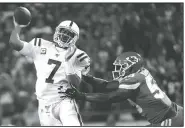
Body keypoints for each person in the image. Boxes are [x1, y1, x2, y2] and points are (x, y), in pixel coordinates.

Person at [9, 16, 91, 126]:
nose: (65, 35)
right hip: (44, 103)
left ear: (74, 38)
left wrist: (68, 63)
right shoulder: (40, 44)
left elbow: (76, 83)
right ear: (57, 31)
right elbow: (14, 43)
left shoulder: (78, 55)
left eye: (69, 34)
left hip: (64, 100)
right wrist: (18, 26)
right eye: (63, 31)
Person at [64, 52, 183, 126]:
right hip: (174, 112)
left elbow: (110, 97)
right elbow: (106, 86)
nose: (119, 70)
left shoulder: (134, 79)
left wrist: (82, 96)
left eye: (122, 67)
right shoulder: (141, 73)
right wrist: (86, 77)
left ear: (132, 67)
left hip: (168, 119)